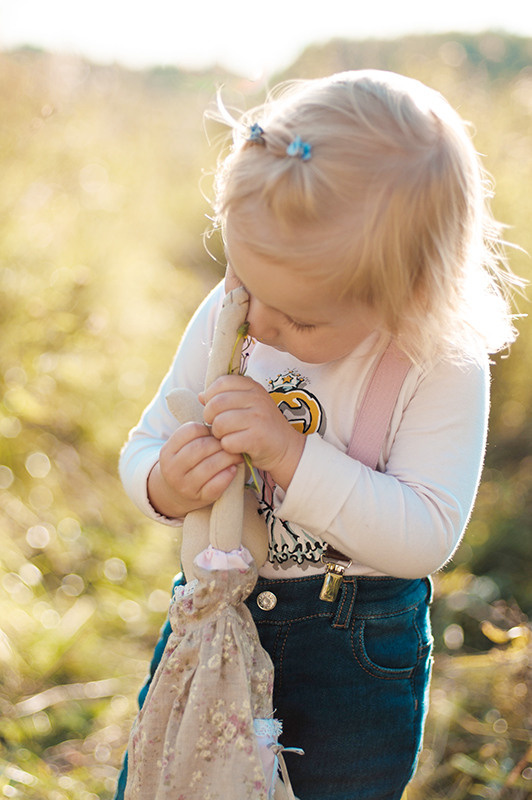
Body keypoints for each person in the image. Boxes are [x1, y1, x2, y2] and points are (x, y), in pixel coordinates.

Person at [115, 70, 520, 800]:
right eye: (246, 285)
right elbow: (145, 443)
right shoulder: (236, 310)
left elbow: (424, 534)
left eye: (300, 320)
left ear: (410, 295)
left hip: (353, 656)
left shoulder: (437, 360)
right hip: (216, 619)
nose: (262, 326)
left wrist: (290, 454)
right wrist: (166, 482)